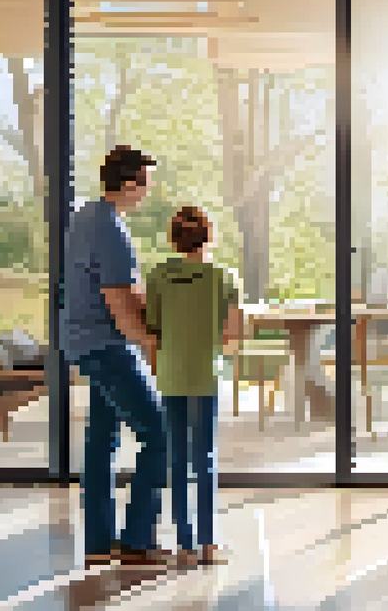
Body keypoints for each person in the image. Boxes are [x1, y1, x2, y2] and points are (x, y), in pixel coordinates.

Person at [63, 145, 170, 568]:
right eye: (146, 183)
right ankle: (138, 542)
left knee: (102, 443)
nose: (148, 192)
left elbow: (109, 288)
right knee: (160, 436)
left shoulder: (85, 217)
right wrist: (152, 342)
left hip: (83, 343)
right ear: (129, 184)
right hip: (108, 346)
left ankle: (98, 543)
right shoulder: (110, 228)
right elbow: (119, 305)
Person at [144, 206, 242, 567]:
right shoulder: (223, 277)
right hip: (205, 376)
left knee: (178, 459)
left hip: (170, 376)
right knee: (205, 459)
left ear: (174, 238)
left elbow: (152, 330)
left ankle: (184, 544)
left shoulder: (157, 276)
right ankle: (209, 544)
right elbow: (232, 332)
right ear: (209, 236)